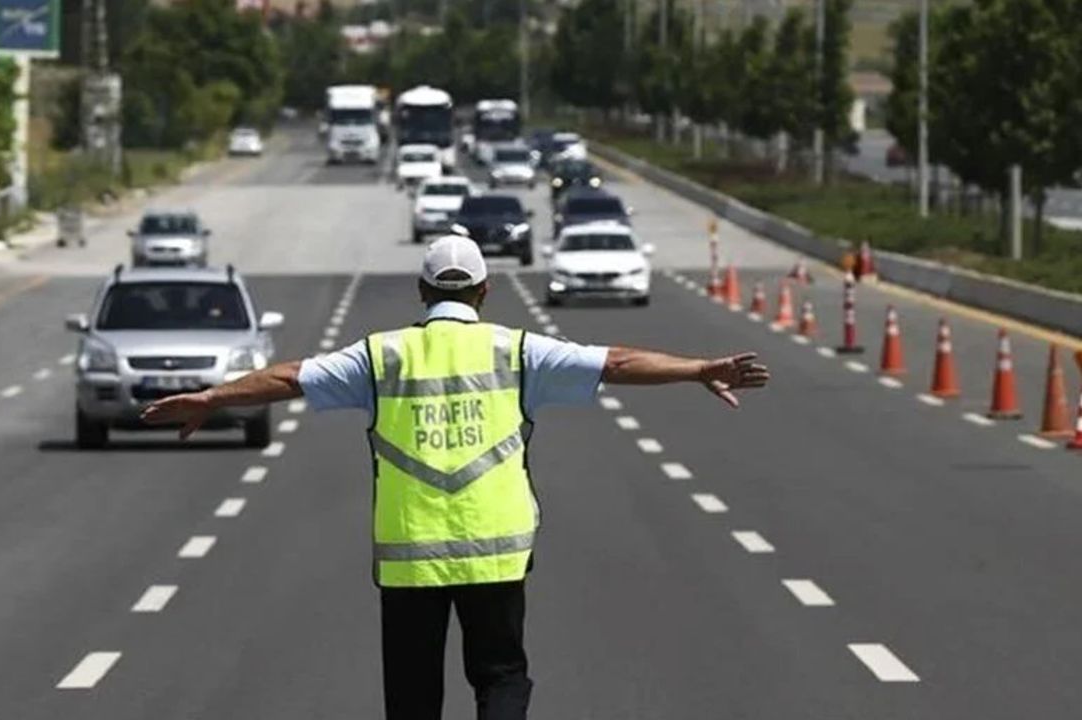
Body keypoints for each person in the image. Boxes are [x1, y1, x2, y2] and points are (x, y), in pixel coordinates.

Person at [141, 235, 770, 720]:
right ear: (484, 291)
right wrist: (696, 369)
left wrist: (212, 398)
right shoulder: (518, 350)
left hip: (410, 556)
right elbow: (617, 362)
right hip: (496, 551)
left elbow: (286, 378)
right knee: (500, 677)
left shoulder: (380, 356)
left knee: (413, 695)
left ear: (421, 291)